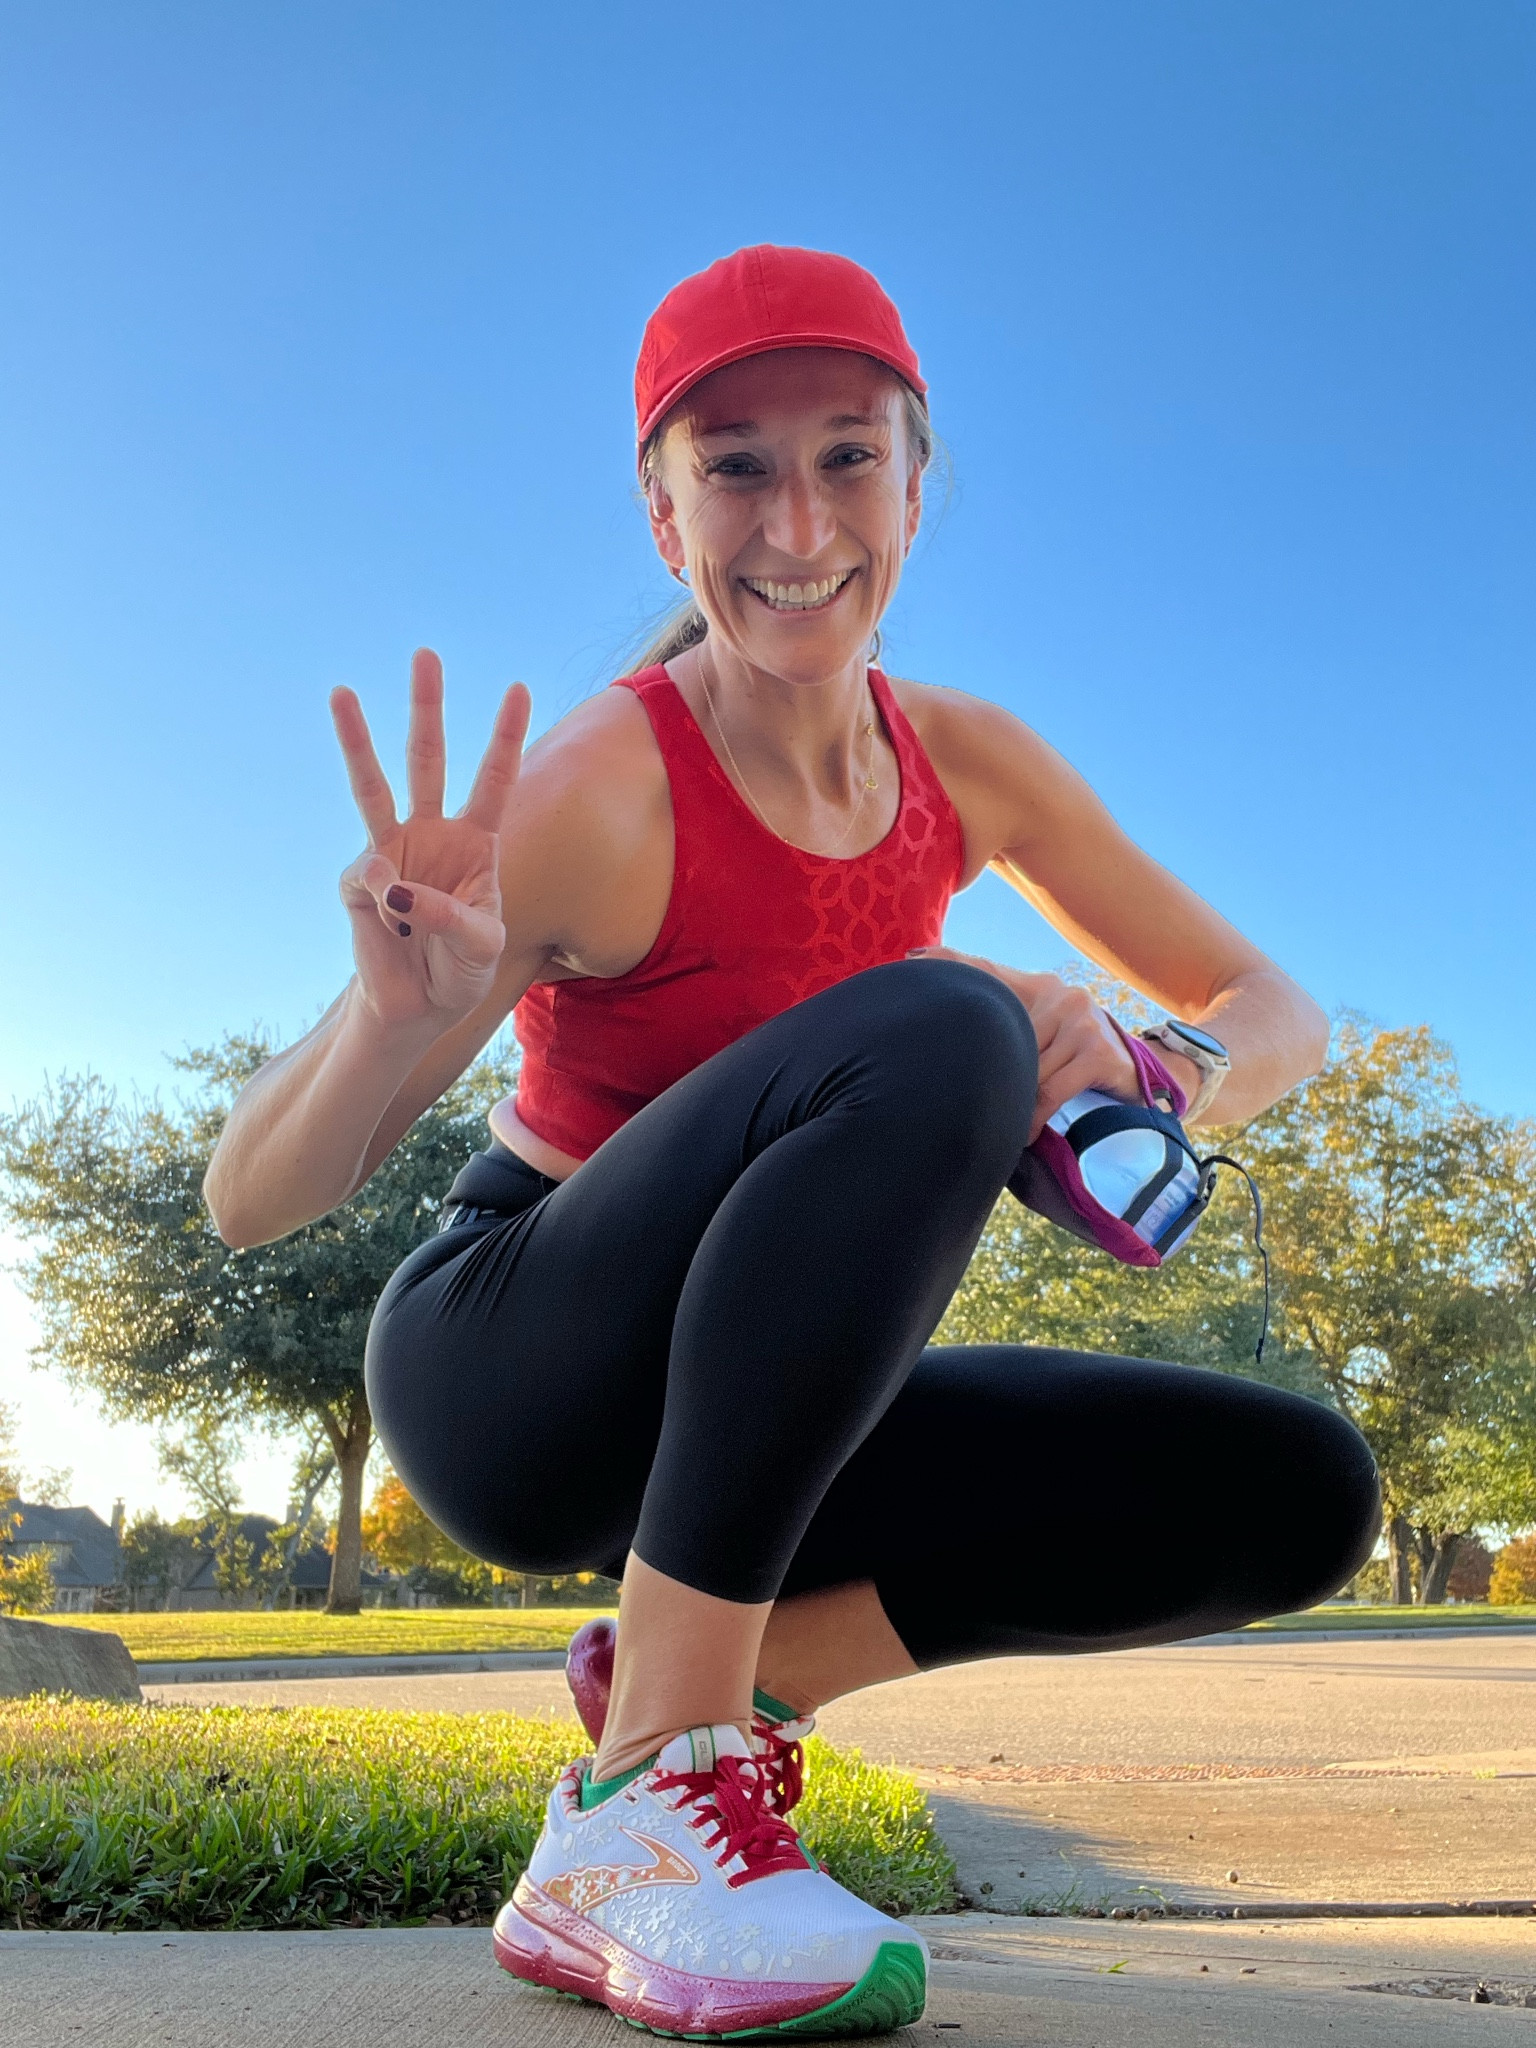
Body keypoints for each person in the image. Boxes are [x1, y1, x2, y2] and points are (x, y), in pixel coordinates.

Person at [204, 245, 1379, 2040]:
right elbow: (248, 1197)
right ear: (665, 519)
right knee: (950, 1016)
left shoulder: (968, 764)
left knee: (1298, 1494)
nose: (797, 519)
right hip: (523, 1366)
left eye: (848, 455)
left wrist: (1158, 1058)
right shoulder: (600, 790)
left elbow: (1275, 1002)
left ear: (919, 485)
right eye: (734, 465)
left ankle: (701, 1696)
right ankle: (646, 1806)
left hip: (766, 1406)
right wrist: (385, 1012)